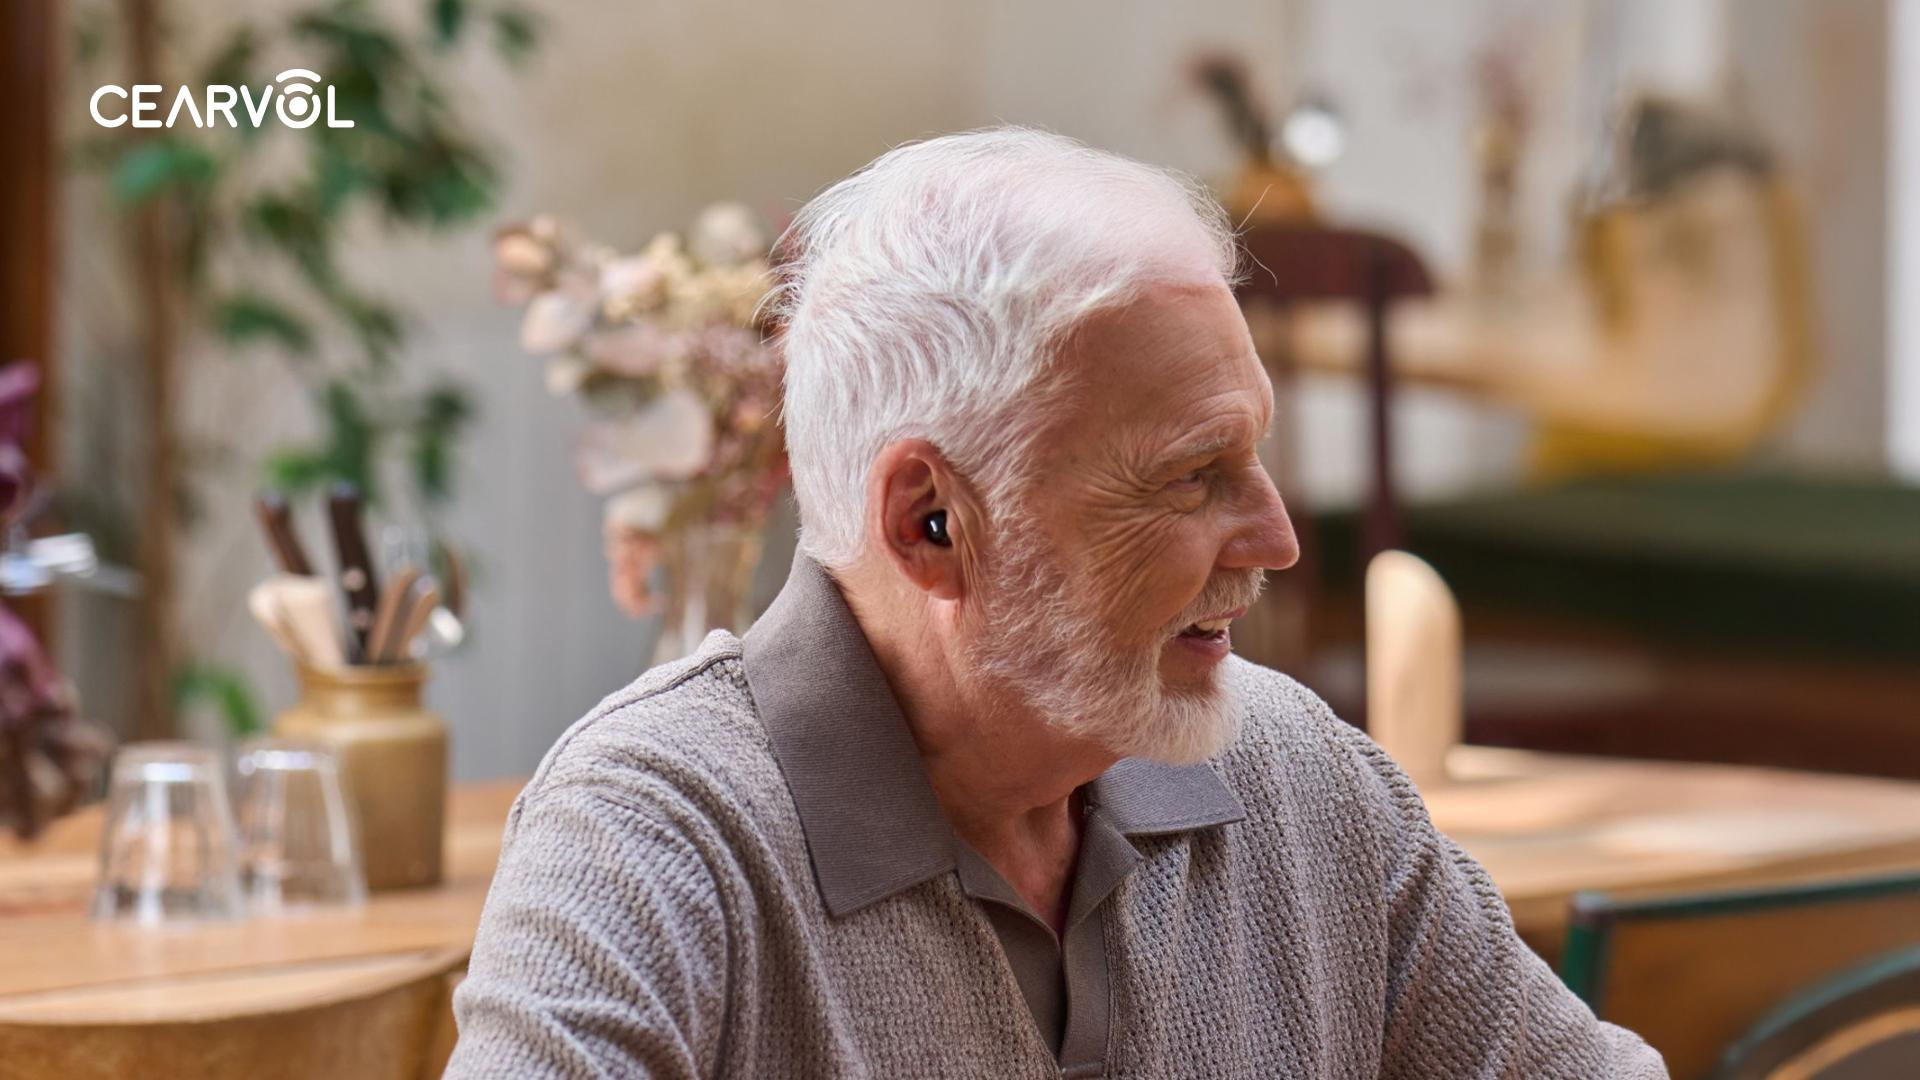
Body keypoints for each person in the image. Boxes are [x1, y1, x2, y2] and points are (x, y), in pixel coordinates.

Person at [447, 127, 1667, 1079]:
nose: (1278, 539)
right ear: (930, 522)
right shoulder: (651, 837)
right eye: (1191, 475)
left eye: (1254, 457)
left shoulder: (1302, 780)